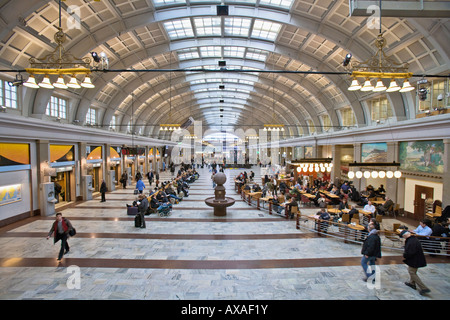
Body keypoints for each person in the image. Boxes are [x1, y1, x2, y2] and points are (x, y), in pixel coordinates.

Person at [400, 230, 430, 295]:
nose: (403, 238)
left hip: (415, 260)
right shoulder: (413, 239)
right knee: (413, 271)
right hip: (416, 259)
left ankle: (424, 288)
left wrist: (405, 255)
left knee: (412, 272)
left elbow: (410, 252)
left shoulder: (411, 241)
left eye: (403, 236)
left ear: (405, 235)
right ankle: (412, 283)